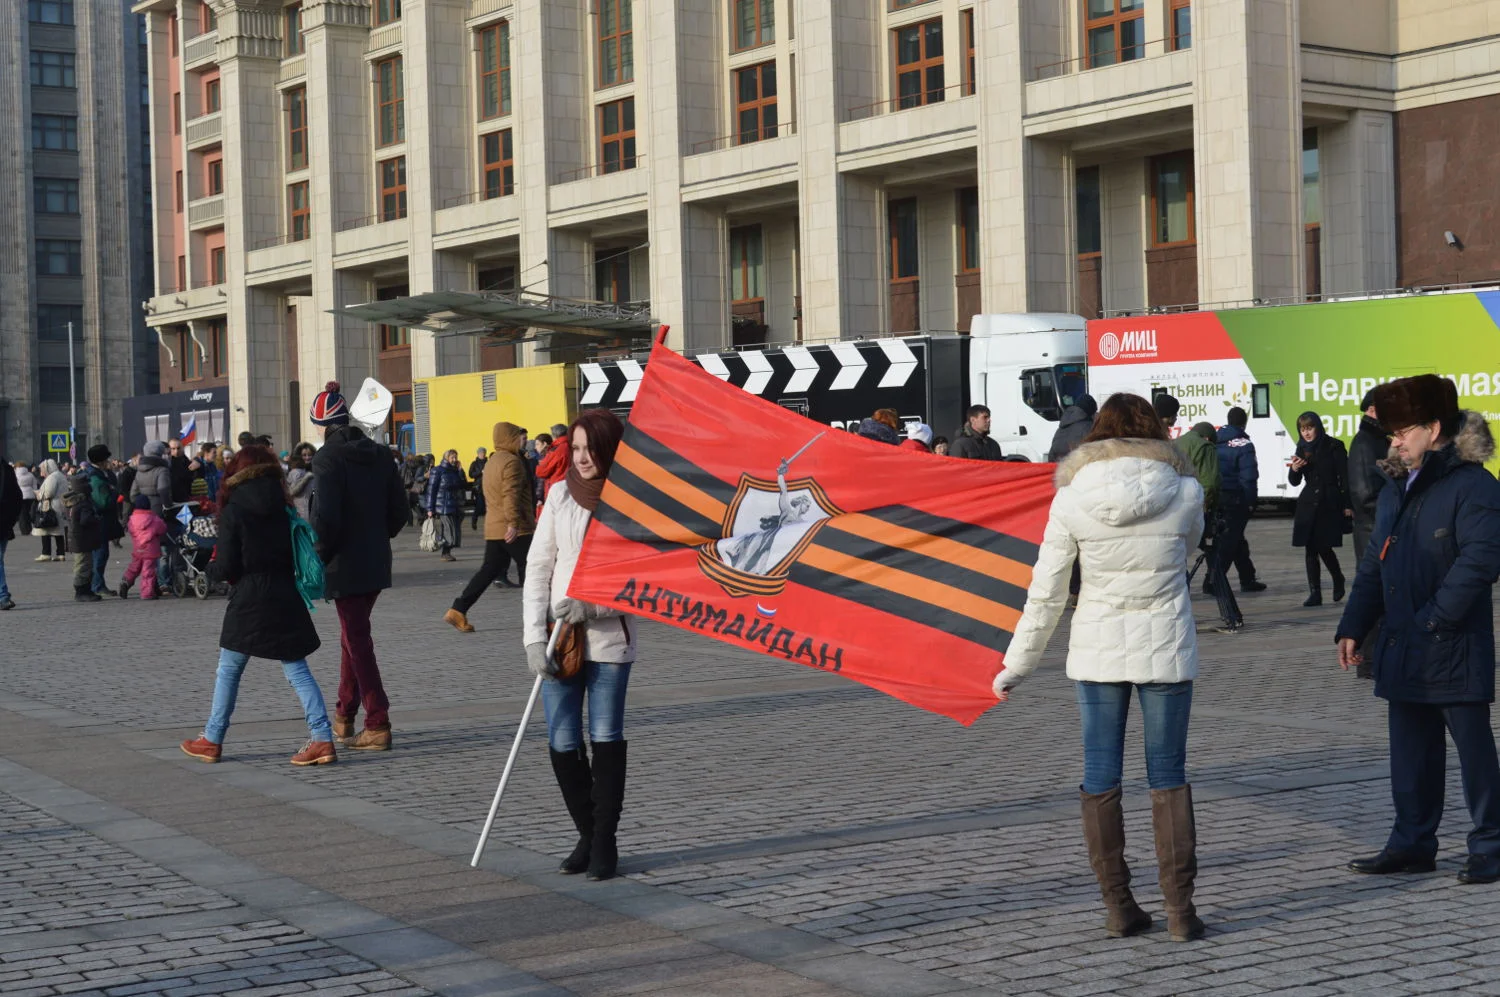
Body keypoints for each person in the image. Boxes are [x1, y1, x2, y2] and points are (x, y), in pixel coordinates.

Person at [994, 392, 1206, 942]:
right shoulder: (1185, 491)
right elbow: (1189, 550)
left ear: (1097, 436)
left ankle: (1118, 905)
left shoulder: (1070, 498)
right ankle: (1181, 911)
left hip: (1097, 649)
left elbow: (1046, 592)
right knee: (1169, 777)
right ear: (1157, 432)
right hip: (1166, 645)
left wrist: (1015, 665)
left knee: (1099, 777)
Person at [1336, 375, 1500, 885]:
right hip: (1401, 642)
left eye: (1402, 431)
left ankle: (1492, 846)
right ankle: (1411, 843)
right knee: (1410, 755)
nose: (1394, 441)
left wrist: (1435, 618)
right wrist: (1354, 625)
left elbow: (1480, 560)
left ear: (1433, 428)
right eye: (1389, 433)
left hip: (1451, 644)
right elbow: (1372, 564)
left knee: (1474, 755)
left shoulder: (1474, 485)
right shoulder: (1396, 487)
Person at [523, 409, 635, 882]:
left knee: (605, 738)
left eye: (592, 449)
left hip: (609, 641)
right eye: (578, 449)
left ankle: (604, 842)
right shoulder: (560, 495)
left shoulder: (630, 503)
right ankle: (587, 834)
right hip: (557, 640)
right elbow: (538, 568)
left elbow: (641, 583)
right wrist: (533, 636)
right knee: (562, 740)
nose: (584, 458)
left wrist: (594, 609)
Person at [180, 447, 336, 766]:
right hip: (284, 593)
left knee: (229, 669)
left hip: (250, 597)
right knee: (297, 669)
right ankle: (322, 739)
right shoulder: (283, 506)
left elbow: (226, 566)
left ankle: (212, 739)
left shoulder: (235, 508)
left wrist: (207, 572)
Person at [308, 386, 408, 753]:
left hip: (343, 564)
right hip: (376, 560)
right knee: (352, 636)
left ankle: (377, 721)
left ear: (321, 425)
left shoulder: (327, 460)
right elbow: (400, 512)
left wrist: (319, 556)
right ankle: (344, 713)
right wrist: (377, 538)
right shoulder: (381, 455)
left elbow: (326, 519)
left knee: (357, 640)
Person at [445, 423, 538, 632]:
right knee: (532, 570)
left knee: (489, 571)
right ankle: (537, 618)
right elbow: (511, 495)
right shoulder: (512, 462)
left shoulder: (493, 461)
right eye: (518, 437)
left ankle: (458, 609)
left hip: (494, 526)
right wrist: (514, 523)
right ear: (509, 439)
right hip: (515, 528)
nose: (521, 440)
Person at [1289, 412, 1352, 607]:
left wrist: (1348, 505)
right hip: (1308, 503)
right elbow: (1293, 482)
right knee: (1310, 547)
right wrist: (1295, 469)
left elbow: (1345, 477)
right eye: (1303, 429)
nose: (1306, 433)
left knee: (1324, 546)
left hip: (1328, 501)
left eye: (1310, 428)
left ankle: (1337, 577)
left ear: (1317, 427)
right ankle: (1314, 592)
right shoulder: (1301, 448)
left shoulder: (1334, 446)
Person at [1213, 408, 1266, 594]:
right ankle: (1213, 580)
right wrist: (1251, 501)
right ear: (1244, 423)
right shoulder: (1244, 444)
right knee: (1230, 540)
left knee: (1236, 538)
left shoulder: (1215, 441)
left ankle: (1247, 577)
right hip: (1236, 498)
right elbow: (1249, 477)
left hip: (1218, 496)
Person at [63, 473, 105, 603]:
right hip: (83, 540)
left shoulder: (72, 500)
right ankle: (81, 592)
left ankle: (86, 590)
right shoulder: (83, 503)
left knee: (83, 565)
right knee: (84, 566)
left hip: (77, 539)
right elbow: (86, 520)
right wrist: (97, 519)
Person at [118, 495, 168, 600]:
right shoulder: (154, 519)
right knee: (148, 571)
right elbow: (163, 528)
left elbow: (130, 530)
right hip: (150, 550)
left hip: (138, 548)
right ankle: (147, 593)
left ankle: (125, 582)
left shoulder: (132, 519)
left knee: (134, 568)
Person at [425, 449, 467, 561]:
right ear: (446, 458)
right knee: (449, 531)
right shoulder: (437, 471)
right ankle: (443, 548)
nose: (454, 460)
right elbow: (431, 490)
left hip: (454, 505)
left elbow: (463, 485)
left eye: (455, 457)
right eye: (452, 457)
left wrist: (460, 471)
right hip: (443, 506)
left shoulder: (455, 471)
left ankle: (445, 551)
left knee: (453, 531)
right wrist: (430, 508)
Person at [1047, 393, 1098, 462]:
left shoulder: (1061, 428)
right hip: (1077, 470)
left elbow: (1051, 456)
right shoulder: (1089, 428)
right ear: (1091, 412)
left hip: (1058, 469)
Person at [33, 459, 67, 562]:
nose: (41, 471)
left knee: (45, 529)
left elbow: (48, 493)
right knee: (58, 531)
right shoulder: (60, 475)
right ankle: (60, 554)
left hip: (51, 507)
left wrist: (38, 494)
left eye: (43, 469)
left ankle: (46, 553)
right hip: (59, 505)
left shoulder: (52, 477)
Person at [0, 458, 22, 610]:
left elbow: (16, 497)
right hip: (4, 524)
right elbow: (17, 497)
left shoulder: (6, 469)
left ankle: (3, 596)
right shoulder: (6, 469)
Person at [131, 440, 174, 516]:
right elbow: (163, 489)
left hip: (142, 510)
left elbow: (133, 495)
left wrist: (139, 505)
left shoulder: (139, 471)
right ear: (161, 452)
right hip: (158, 508)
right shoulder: (162, 470)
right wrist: (168, 505)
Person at [285, 448, 315, 522]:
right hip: (308, 507)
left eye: (309, 455)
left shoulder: (295, 473)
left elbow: (292, 491)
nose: (307, 458)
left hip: (299, 509)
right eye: (304, 455)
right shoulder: (306, 473)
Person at [14, 462, 38, 538]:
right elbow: (34, 485)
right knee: (28, 512)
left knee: (22, 514)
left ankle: (24, 530)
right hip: (30, 496)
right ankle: (29, 528)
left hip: (20, 496)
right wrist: (35, 494)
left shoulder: (15, 475)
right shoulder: (30, 475)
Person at [468, 446, 488, 531]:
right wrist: (480, 472)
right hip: (478, 487)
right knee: (479, 505)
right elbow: (471, 474)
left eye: (483, 453)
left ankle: (488, 524)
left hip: (487, 486)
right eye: (481, 453)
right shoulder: (474, 463)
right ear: (478, 454)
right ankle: (474, 519)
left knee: (487, 506)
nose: (482, 454)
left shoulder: (488, 462)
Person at [167, 438, 193, 502]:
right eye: (173, 448)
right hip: (172, 499)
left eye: (178, 448)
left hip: (186, 497)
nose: (176, 451)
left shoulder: (187, 462)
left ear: (182, 448)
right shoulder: (166, 463)